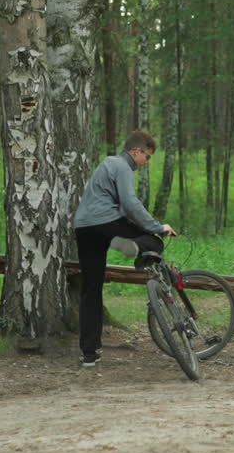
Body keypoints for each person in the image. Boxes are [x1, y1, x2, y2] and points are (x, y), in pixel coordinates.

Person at [73, 130, 177, 368]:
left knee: (91, 290)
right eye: (146, 157)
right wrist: (158, 226)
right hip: (106, 223)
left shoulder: (106, 164)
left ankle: (89, 353)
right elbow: (130, 203)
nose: (145, 163)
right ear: (136, 151)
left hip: (84, 227)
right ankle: (134, 249)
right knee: (154, 242)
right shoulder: (122, 166)